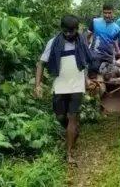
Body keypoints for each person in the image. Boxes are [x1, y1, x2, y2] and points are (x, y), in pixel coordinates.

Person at [34, 14, 94, 164]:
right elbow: (41, 63)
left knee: (72, 116)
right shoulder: (53, 42)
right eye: (65, 31)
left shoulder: (81, 42)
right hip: (60, 83)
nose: (68, 34)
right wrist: (37, 85)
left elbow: (84, 63)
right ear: (62, 29)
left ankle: (69, 153)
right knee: (61, 116)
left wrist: (86, 80)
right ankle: (73, 133)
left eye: (71, 31)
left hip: (76, 84)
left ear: (77, 29)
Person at [86, 3, 120, 96]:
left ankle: (106, 98)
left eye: (109, 13)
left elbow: (114, 41)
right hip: (95, 55)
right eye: (105, 13)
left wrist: (118, 50)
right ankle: (93, 100)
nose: (107, 15)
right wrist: (85, 50)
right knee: (93, 80)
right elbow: (87, 36)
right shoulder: (95, 22)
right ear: (102, 12)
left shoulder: (117, 28)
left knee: (109, 79)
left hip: (108, 57)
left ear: (113, 12)